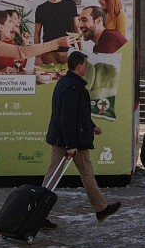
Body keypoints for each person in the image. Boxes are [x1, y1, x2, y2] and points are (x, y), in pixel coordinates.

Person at [45, 52, 121, 223]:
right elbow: (68, 117)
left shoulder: (66, 82)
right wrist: (71, 145)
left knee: (53, 176)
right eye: (85, 64)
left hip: (63, 137)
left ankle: (38, 213)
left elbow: (78, 114)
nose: (87, 67)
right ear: (78, 66)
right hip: (71, 140)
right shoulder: (73, 86)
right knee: (85, 174)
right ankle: (101, 209)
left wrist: (92, 127)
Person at [33, 0, 79, 66]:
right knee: (51, 78)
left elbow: (76, 28)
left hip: (68, 51)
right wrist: (37, 56)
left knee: (68, 78)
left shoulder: (70, 4)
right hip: (48, 52)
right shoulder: (41, 8)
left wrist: (81, 50)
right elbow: (37, 33)